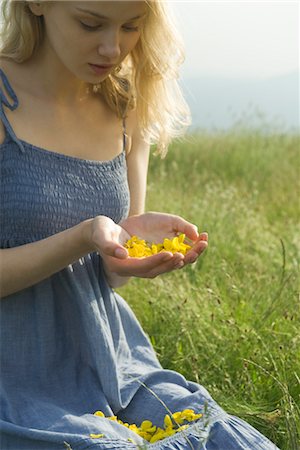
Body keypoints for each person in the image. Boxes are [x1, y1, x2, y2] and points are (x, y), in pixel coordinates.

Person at [0, 1, 279, 449]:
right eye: (90, 23)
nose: (112, 47)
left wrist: (128, 253)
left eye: (131, 26)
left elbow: (108, 278)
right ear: (36, 4)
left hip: (109, 359)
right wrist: (84, 236)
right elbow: (85, 240)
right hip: (13, 376)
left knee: (218, 438)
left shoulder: (126, 102)